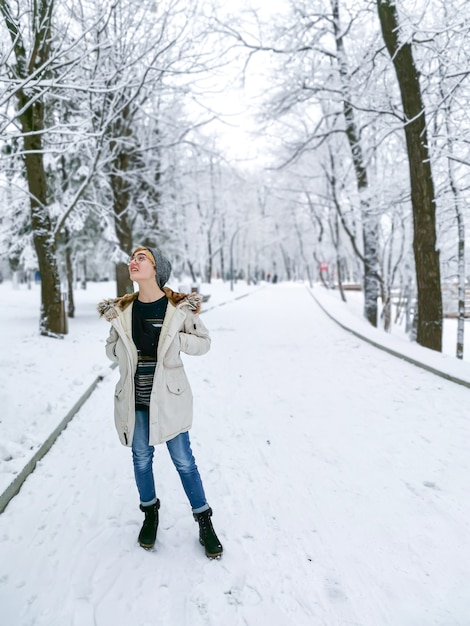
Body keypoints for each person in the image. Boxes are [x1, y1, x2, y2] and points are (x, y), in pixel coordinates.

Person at [97, 246, 223, 558]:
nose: (133, 261)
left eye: (142, 258)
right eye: (132, 258)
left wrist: (177, 339)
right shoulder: (122, 310)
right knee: (141, 458)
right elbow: (111, 348)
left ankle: (204, 520)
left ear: (157, 269)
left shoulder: (178, 308)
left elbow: (204, 343)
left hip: (169, 399)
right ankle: (150, 514)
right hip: (135, 400)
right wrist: (120, 353)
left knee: (183, 461)